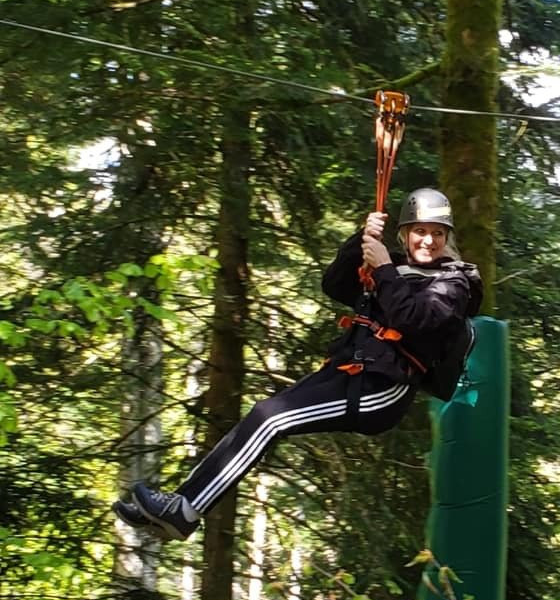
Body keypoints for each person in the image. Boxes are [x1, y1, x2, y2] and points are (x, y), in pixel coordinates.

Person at [113, 188, 483, 540]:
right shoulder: (395, 268)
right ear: (405, 233)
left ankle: (185, 511)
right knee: (262, 413)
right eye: (420, 231)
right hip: (351, 371)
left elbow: (414, 320)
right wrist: (361, 242)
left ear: (446, 237)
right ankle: (180, 507)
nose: (428, 241)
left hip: (382, 389)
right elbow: (337, 286)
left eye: (437, 233)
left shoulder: (453, 284)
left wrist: (384, 267)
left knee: (271, 420)